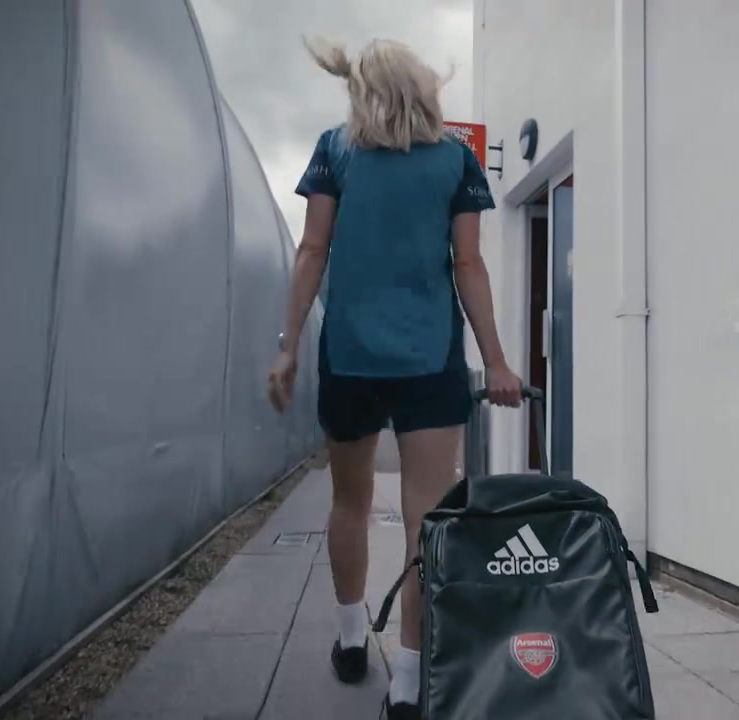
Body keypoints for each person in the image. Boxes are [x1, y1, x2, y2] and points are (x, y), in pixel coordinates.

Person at [266, 36, 524, 720]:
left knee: (349, 502)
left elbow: (312, 249)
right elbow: (468, 266)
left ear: (362, 89)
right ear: (422, 86)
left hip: (349, 358)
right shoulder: (457, 160)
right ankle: (408, 680)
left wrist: (288, 347)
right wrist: (496, 360)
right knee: (426, 520)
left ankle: (353, 640)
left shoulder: (334, 150)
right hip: (429, 361)